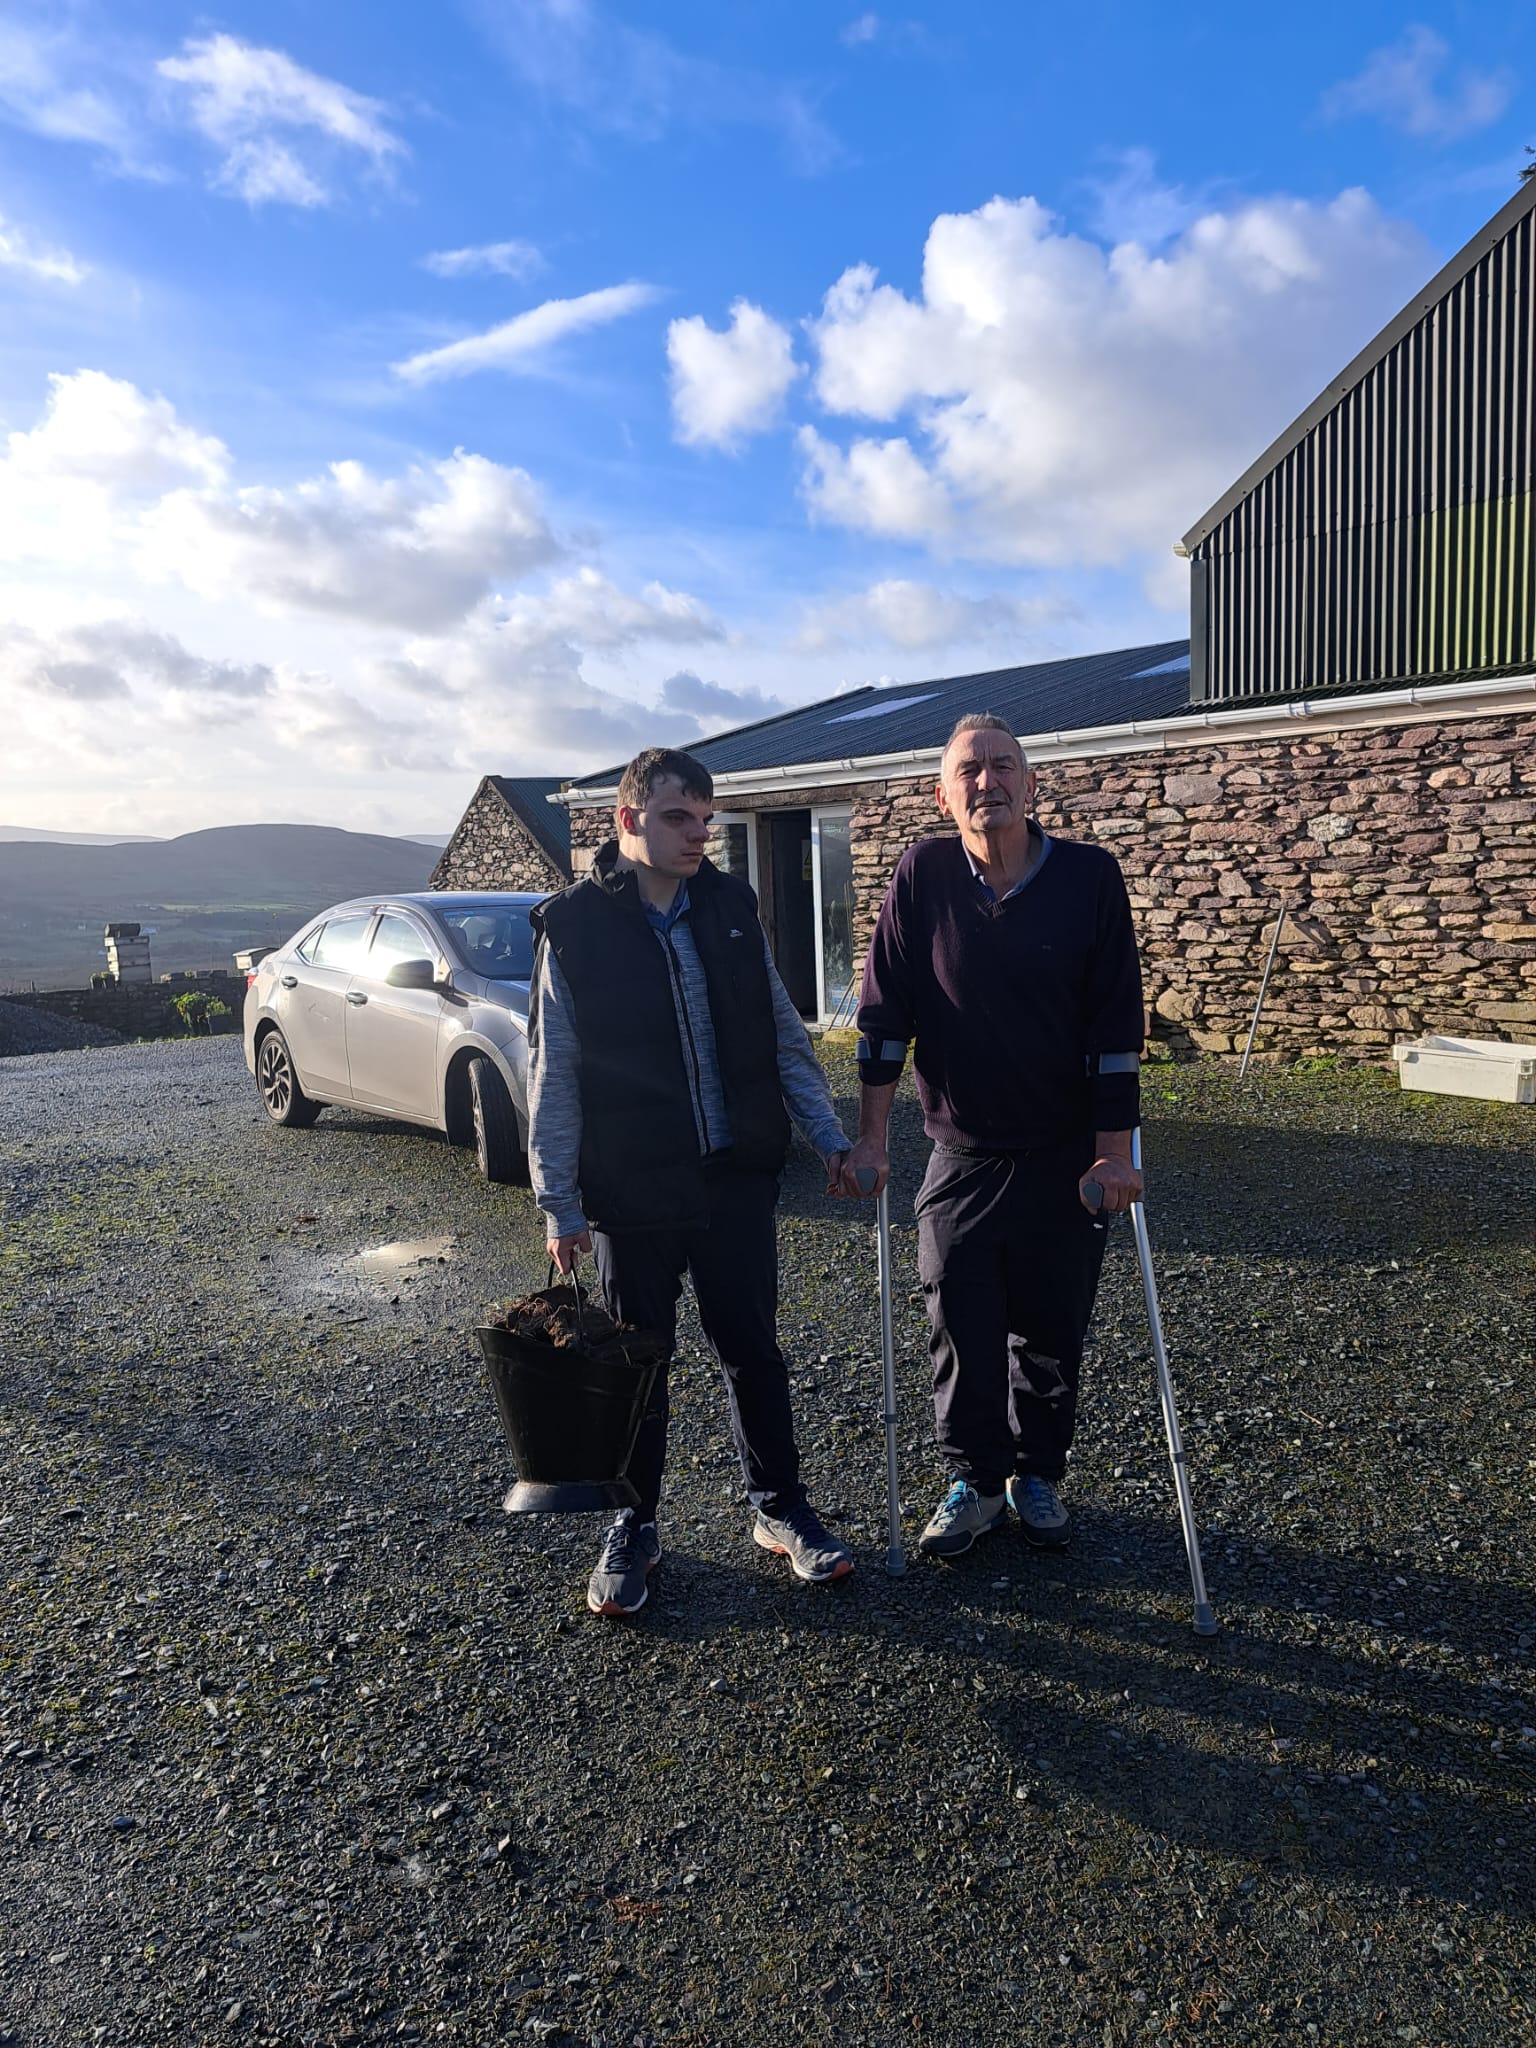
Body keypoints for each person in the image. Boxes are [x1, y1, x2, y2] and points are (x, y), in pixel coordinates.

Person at [527, 746, 857, 1616]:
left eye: (709, 820)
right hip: (631, 1190)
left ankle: (778, 1505)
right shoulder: (574, 928)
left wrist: (828, 1137)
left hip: (734, 1179)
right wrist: (557, 1201)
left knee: (753, 1349)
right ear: (628, 819)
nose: (700, 835)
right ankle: (634, 1526)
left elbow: (784, 1034)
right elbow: (554, 1072)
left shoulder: (731, 908)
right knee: (638, 1364)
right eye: (681, 817)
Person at [841, 714, 1144, 1559]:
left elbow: (1115, 1028)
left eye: (1004, 766)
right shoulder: (923, 875)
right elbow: (882, 1018)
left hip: (1064, 1151)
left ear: (1031, 784)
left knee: (1052, 1327)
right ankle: (975, 1480)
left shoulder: (1089, 877)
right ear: (944, 794)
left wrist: (1113, 1154)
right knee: (959, 1320)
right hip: (961, 1149)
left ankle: (1035, 1471)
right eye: (969, 771)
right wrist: (872, 1141)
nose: (989, 782)